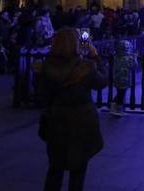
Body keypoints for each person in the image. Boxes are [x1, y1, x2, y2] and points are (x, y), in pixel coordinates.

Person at [41, 29, 107, 191]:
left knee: (55, 168)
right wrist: (96, 56)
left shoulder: (47, 66)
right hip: (81, 121)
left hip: (56, 120)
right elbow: (103, 81)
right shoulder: (86, 66)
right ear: (77, 44)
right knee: (78, 170)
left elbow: (42, 94)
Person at [109, 40, 136, 117]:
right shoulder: (129, 58)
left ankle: (113, 108)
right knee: (121, 94)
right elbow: (134, 66)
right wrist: (135, 58)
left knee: (119, 93)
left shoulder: (116, 57)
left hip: (117, 78)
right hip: (125, 79)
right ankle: (118, 111)